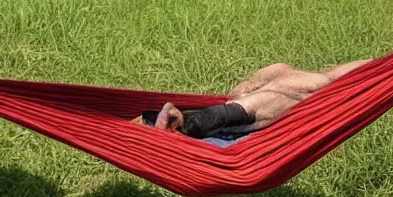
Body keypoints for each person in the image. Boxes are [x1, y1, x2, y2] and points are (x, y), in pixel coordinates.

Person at [139, 60, 371, 145]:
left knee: (262, 103)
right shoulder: (296, 76)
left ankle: (182, 122)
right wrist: (246, 87)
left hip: (251, 109)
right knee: (258, 101)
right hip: (244, 108)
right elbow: (275, 70)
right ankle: (180, 122)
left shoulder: (310, 88)